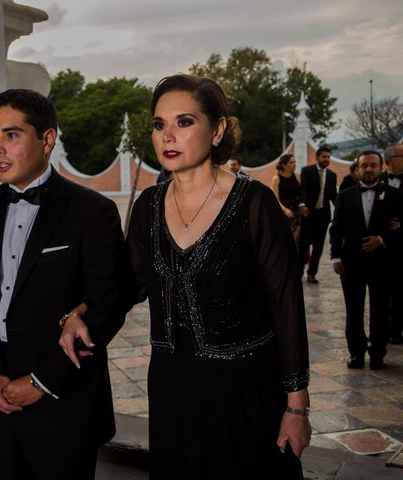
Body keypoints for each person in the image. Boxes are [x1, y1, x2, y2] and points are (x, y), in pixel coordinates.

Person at [61, 74, 311, 479]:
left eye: (184, 122)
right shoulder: (147, 206)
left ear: (219, 129)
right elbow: (129, 284)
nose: (168, 137)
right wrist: (82, 310)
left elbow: (286, 305)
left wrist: (296, 406)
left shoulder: (254, 203)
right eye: (159, 125)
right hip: (173, 389)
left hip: (246, 390)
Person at [0, 89, 127, 480]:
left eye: (11, 135)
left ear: (47, 140)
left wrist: (42, 381)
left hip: (63, 403)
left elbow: (106, 304)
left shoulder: (92, 211)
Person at [329, 150, 403, 370]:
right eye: (364, 166)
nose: (369, 169)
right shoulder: (345, 195)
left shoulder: (395, 195)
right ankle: (356, 353)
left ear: (381, 167)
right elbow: (336, 229)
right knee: (353, 309)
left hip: (382, 263)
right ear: (358, 168)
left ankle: (378, 353)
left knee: (380, 309)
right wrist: (335, 256)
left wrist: (381, 238)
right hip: (351, 263)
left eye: (373, 165)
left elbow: (400, 228)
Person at [298, 146, 337, 283]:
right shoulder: (307, 171)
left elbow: (333, 196)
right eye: (324, 157)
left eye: (328, 157)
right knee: (303, 244)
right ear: (317, 157)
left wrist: (341, 208)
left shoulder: (332, 175)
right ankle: (299, 272)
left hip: (323, 215)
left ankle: (312, 273)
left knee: (318, 246)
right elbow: (303, 188)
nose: (326, 159)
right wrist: (302, 204)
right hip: (308, 213)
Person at [381, 144, 403, 344]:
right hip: (381, 246)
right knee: (382, 289)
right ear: (389, 159)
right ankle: (382, 328)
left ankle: (397, 327)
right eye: (401, 156)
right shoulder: (376, 182)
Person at [272, 153, 301, 246]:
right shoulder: (277, 178)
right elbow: (275, 198)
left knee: (297, 238)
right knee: (285, 238)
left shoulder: (297, 175)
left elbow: (301, 193)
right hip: (283, 211)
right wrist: (285, 210)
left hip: (297, 211)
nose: (294, 164)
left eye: (295, 162)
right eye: (291, 162)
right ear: (284, 165)